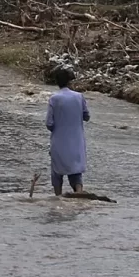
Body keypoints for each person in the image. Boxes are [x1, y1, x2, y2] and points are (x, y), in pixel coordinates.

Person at [46, 68, 89, 196]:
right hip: (77, 141)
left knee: (57, 173)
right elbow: (86, 116)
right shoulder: (79, 97)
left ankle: (58, 198)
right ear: (70, 81)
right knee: (76, 173)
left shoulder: (54, 99)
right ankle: (79, 197)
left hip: (59, 142)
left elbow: (49, 124)